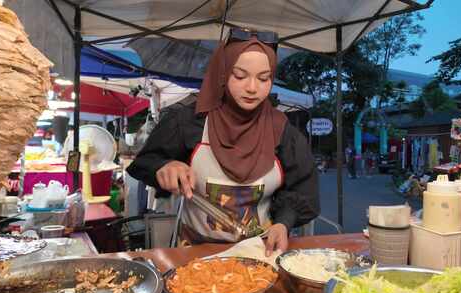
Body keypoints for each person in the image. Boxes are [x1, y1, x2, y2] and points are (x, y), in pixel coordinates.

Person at [127, 28, 320, 256]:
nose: (252, 87)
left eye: (263, 78)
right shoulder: (188, 122)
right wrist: (164, 166)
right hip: (195, 250)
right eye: (240, 75)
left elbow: (301, 190)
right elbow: (145, 163)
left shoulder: (284, 131)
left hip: (260, 251)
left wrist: (283, 223)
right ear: (223, 73)